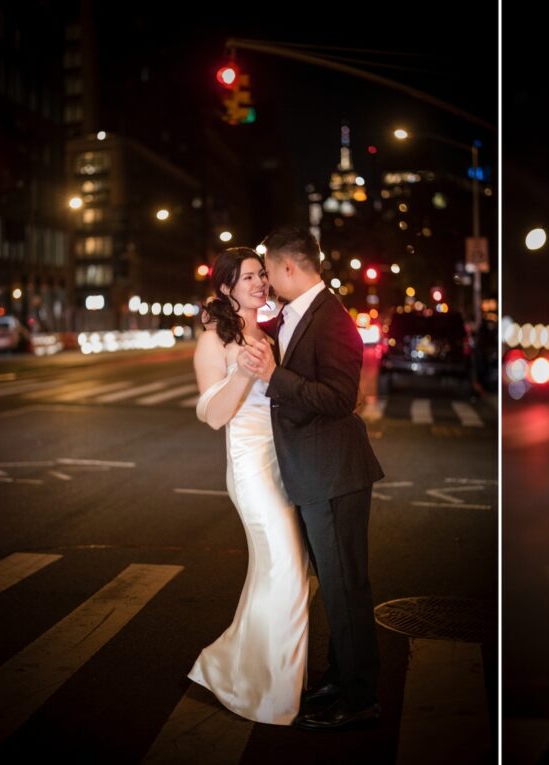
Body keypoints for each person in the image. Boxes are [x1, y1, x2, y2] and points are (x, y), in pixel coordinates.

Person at [238, 226, 385, 731]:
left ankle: (360, 695)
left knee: (347, 586)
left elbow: (340, 399)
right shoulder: (298, 315)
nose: (269, 282)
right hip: (314, 469)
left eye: (270, 271)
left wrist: (274, 378)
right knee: (337, 583)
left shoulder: (334, 319)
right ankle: (341, 677)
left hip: (334, 471)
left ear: (287, 268)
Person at [189, 247, 311, 726]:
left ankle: (232, 667)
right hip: (250, 463)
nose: (260, 283)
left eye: (262, 274)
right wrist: (244, 369)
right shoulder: (214, 341)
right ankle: (268, 693)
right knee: (284, 569)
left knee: (283, 567)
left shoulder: (271, 330)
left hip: (285, 461)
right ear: (225, 288)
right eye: (248, 278)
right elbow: (215, 416)